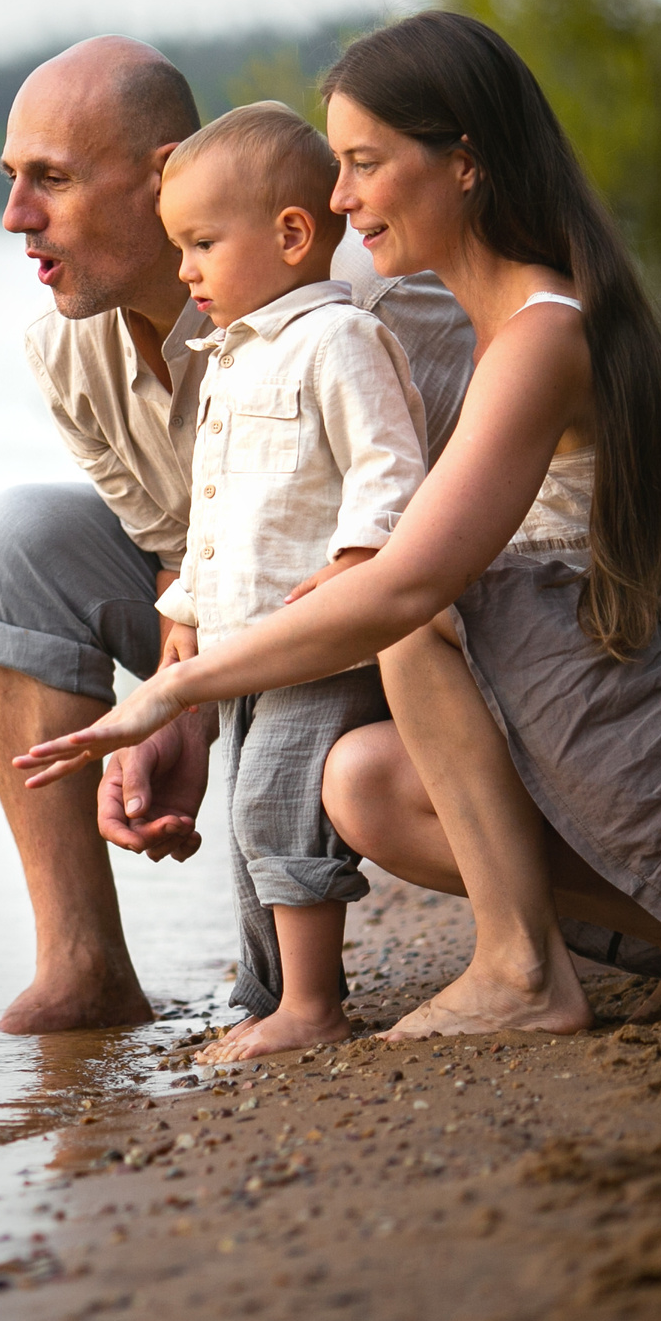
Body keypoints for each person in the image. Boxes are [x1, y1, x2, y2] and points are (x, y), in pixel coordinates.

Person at [16, 12, 661, 1037]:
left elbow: (404, 586)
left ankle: (522, 969)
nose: (339, 197)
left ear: (465, 164)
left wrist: (171, 692)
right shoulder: (471, 320)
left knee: (408, 606)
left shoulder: (541, 333)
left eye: (363, 163)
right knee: (361, 783)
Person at [0, 35, 475, 1034]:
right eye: (12, 179)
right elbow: (176, 551)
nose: (16, 216)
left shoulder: (362, 308)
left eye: (52, 179)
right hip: (237, 604)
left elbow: (455, 537)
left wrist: (212, 683)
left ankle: (295, 991)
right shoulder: (66, 347)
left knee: (279, 779)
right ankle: (84, 968)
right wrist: (173, 706)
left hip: (400, 622)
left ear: (163, 178)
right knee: (6, 541)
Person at [152, 101, 429, 1060]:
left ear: (293, 234)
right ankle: (266, 993)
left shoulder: (337, 339)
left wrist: (356, 562)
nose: (185, 272)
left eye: (201, 245)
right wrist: (186, 610)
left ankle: (311, 1006)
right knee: (245, 820)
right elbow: (218, 510)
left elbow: (388, 465)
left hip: (320, 641)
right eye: (179, 248)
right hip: (245, 647)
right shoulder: (232, 358)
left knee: (278, 803)